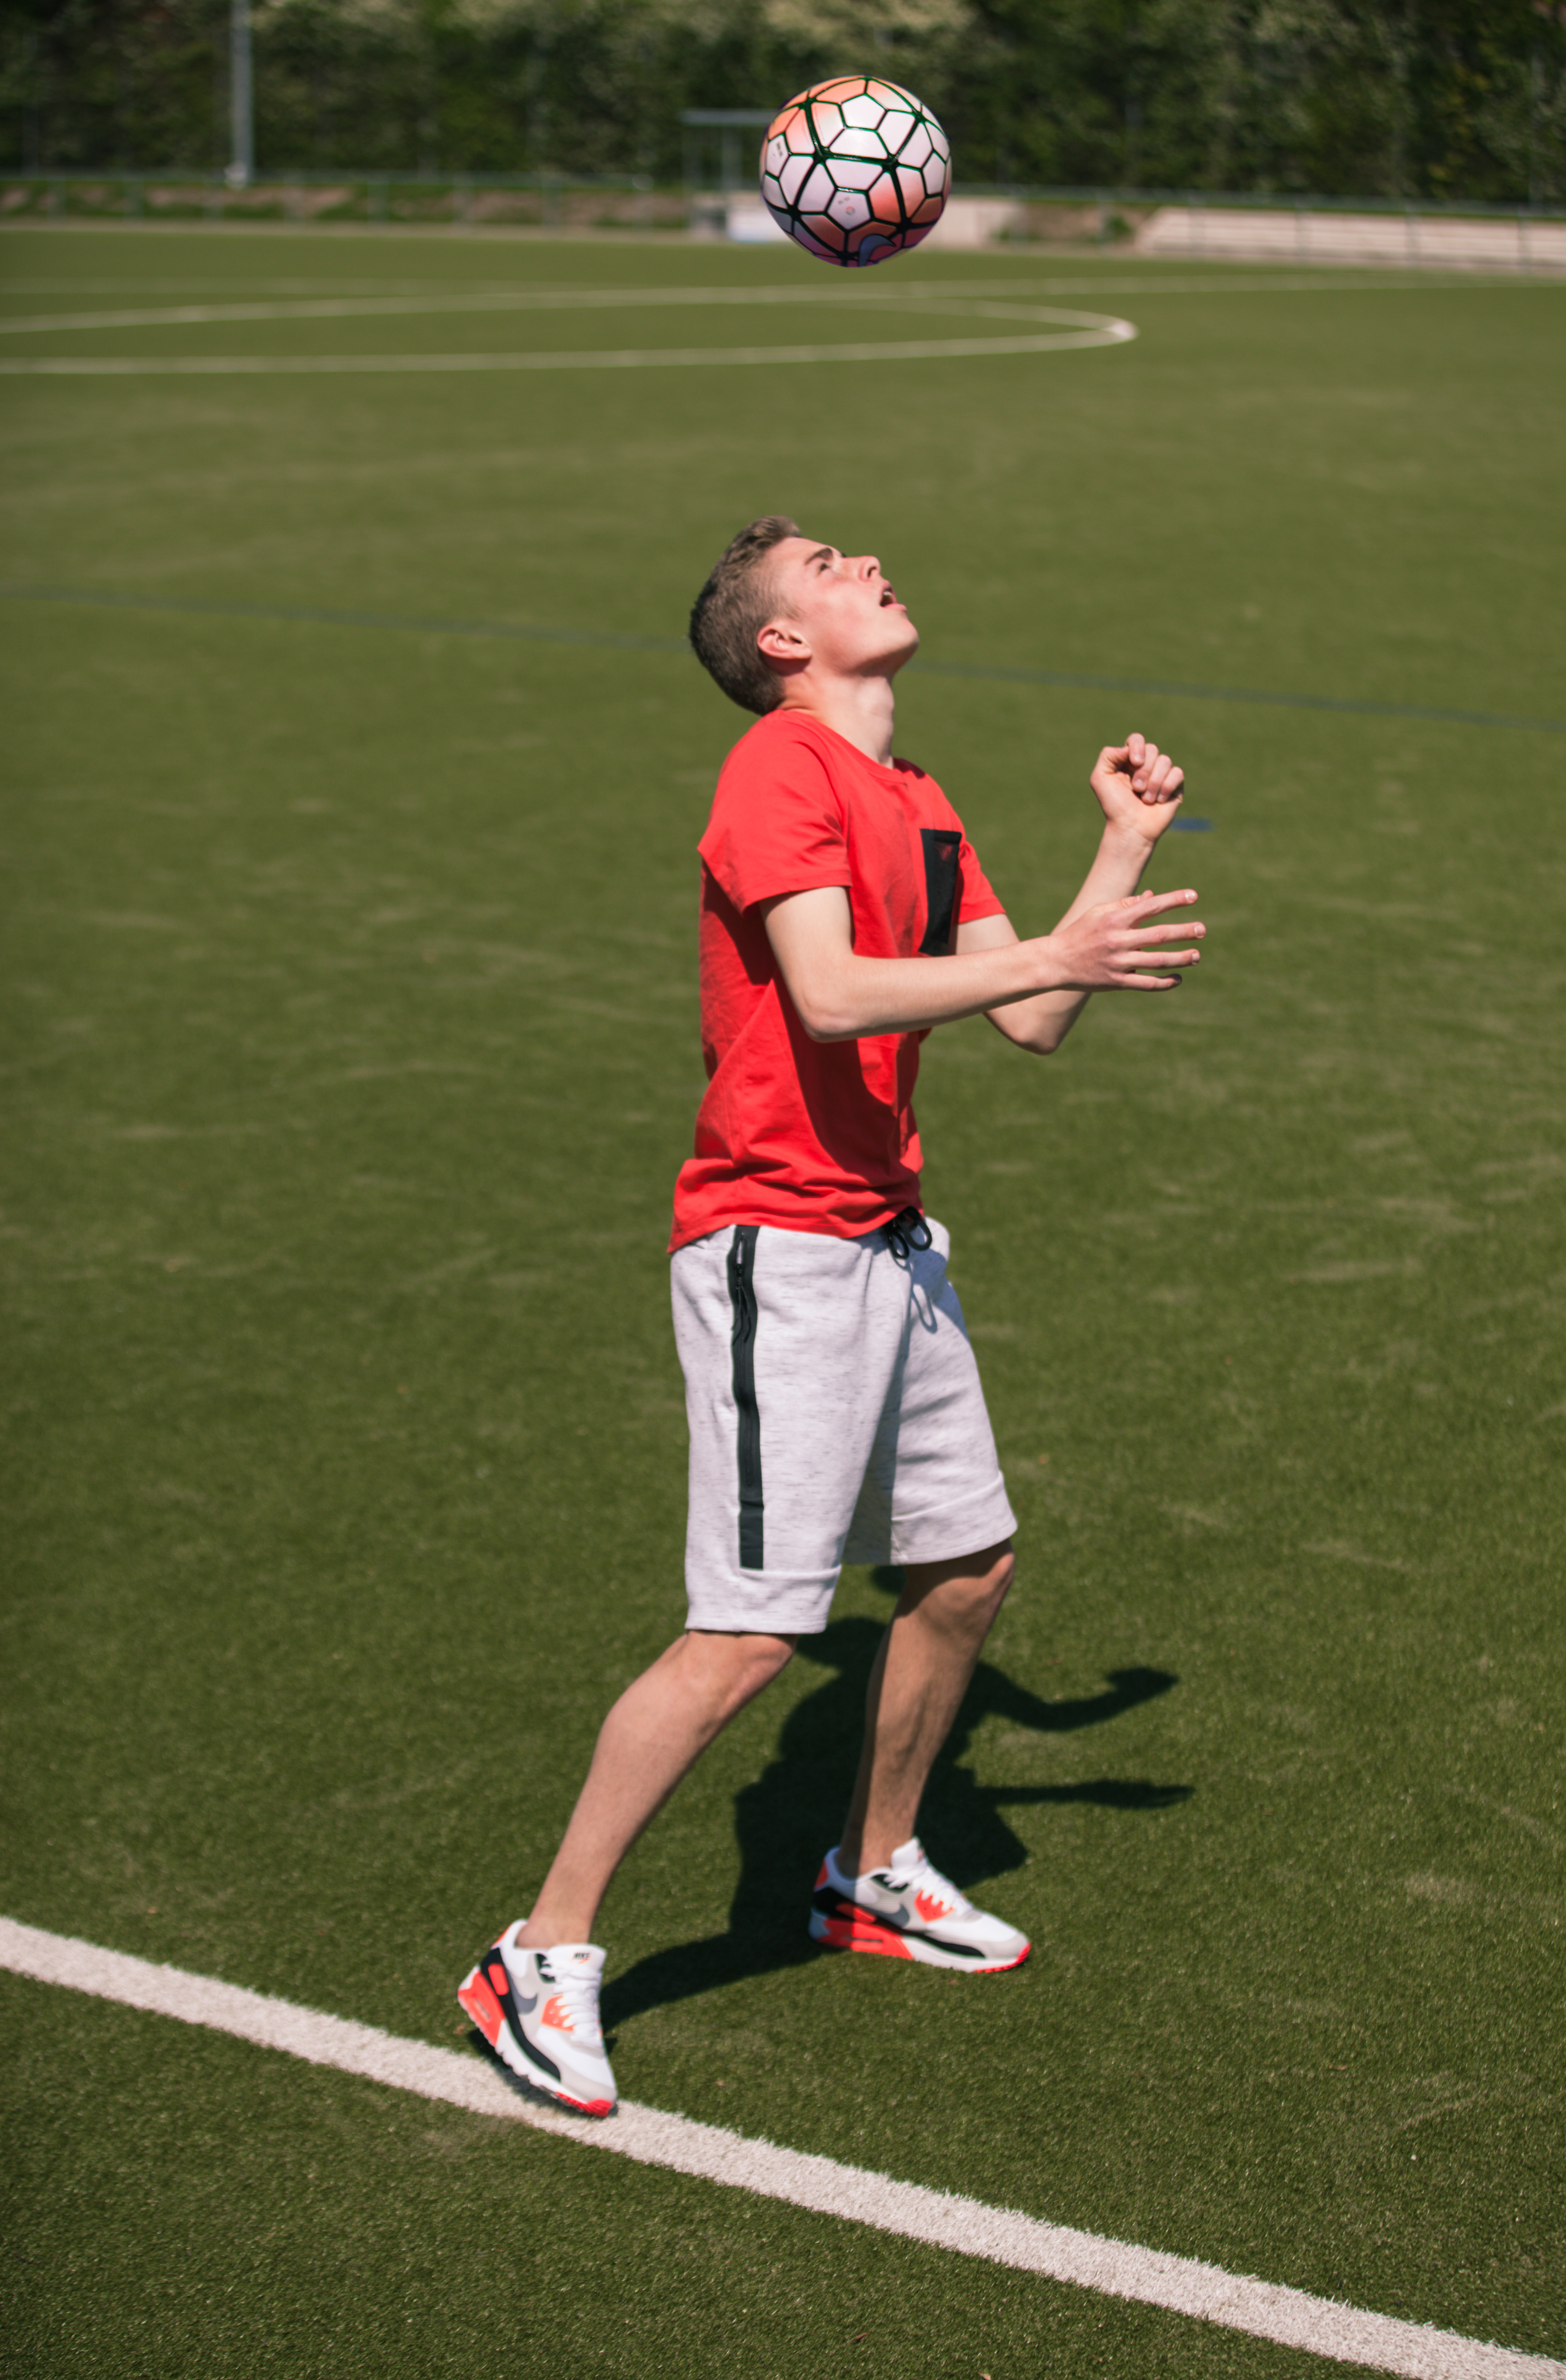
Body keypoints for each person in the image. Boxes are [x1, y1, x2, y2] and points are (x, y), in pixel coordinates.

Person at [458, 516, 1204, 2116]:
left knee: (964, 1567)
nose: (871, 563)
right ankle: (541, 1950)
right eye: (833, 563)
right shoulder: (780, 770)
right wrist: (1063, 944)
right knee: (750, 1634)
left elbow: (1035, 1018)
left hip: (889, 1239)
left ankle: (867, 1873)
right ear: (781, 642)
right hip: (773, 1246)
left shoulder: (918, 798)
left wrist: (1117, 854)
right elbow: (833, 993)